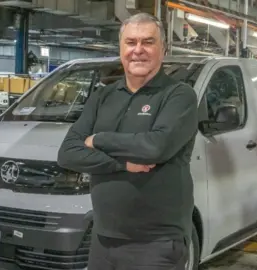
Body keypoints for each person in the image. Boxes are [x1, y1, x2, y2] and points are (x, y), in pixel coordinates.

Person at [57, 12, 198, 270]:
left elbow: (155, 147)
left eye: (148, 42)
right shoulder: (104, 96)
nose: (138, 50)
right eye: (131, 42)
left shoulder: (179, 96)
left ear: (163, 49)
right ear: (121, 49)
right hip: (103, 238)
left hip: (156, 243)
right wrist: (123, 165)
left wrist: (98, 139)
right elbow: (67, 153)